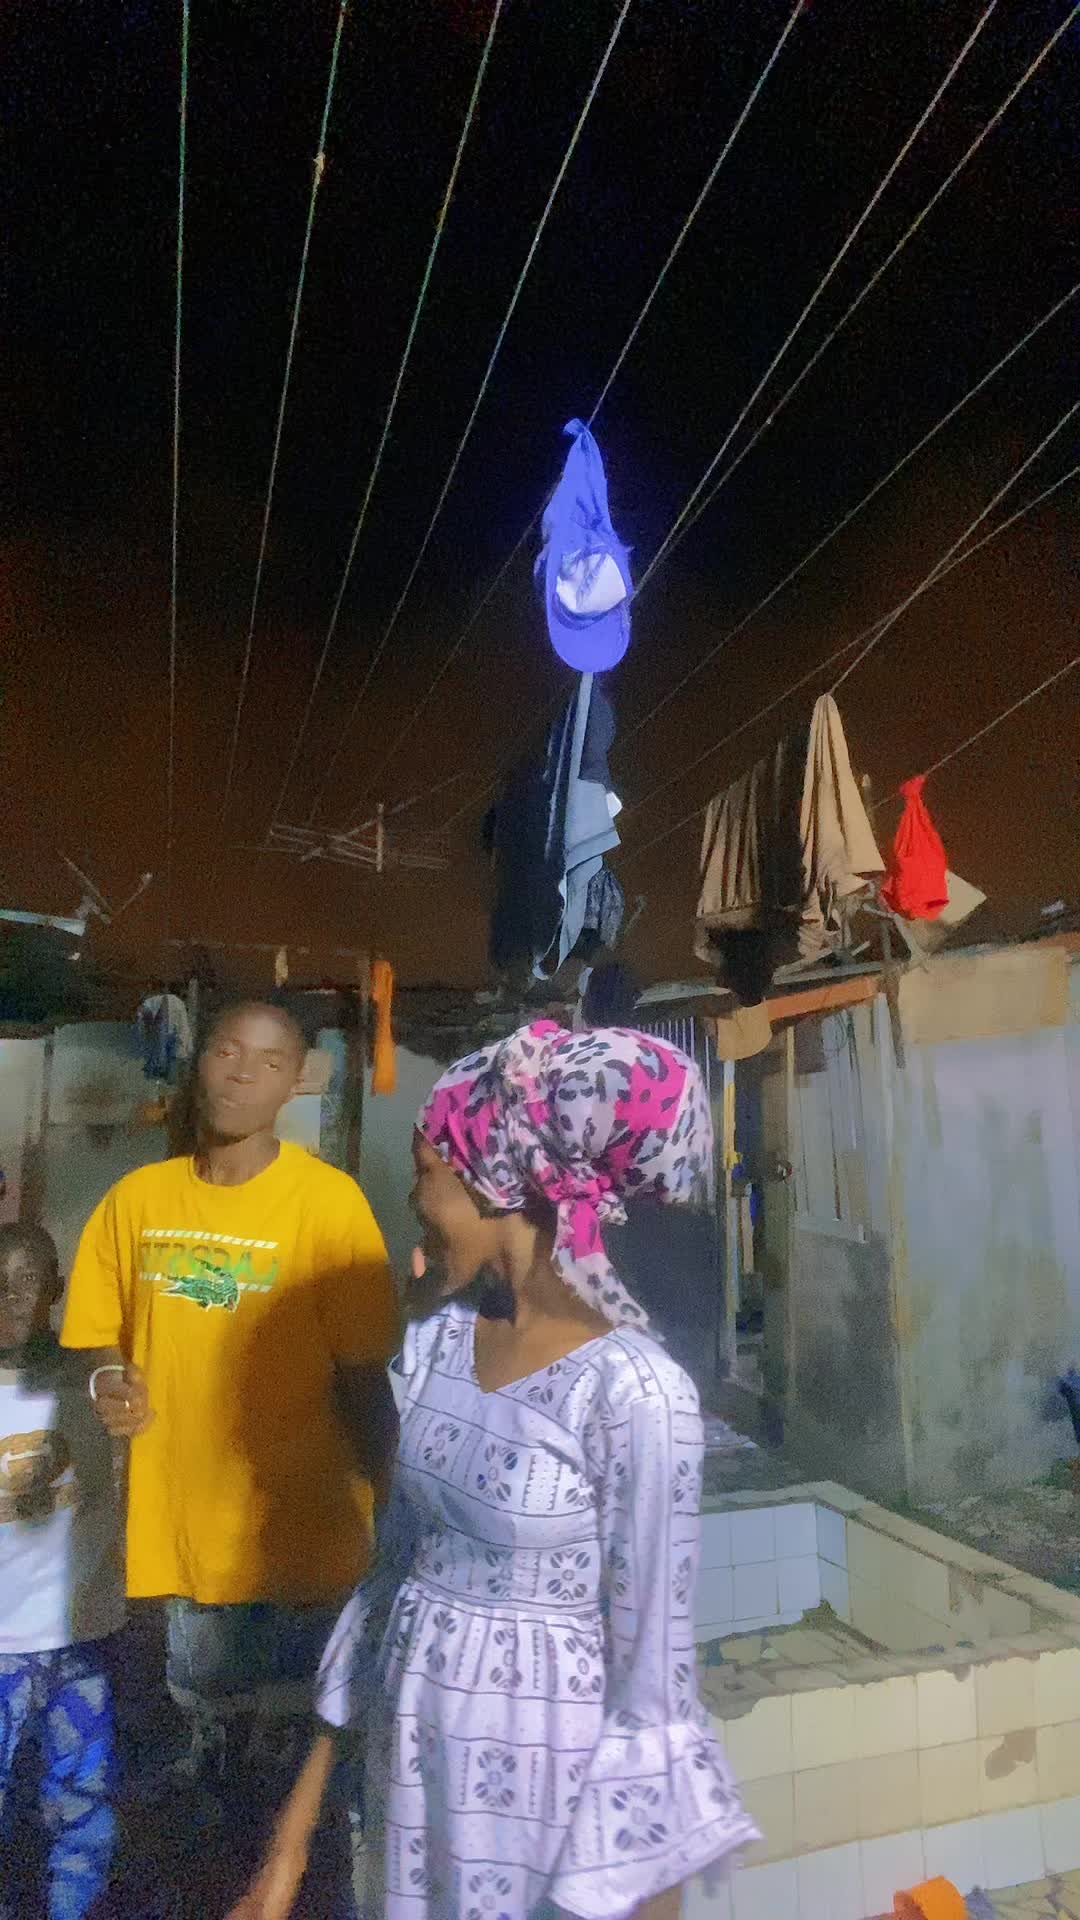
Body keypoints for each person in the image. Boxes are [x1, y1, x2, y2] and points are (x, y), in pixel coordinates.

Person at [229, 1020, 757, 1920]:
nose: (413, 1198)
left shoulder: (633, 1395)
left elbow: (654, 1705)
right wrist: (287, 1853)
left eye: (426, 1173)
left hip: (541, 1813)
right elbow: (386, 1590)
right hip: (409, 1785)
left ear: (500, 1178)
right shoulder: (436, 1347)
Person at [60, 996, 400, 1803]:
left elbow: (364, 1380)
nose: (242, 1074)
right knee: (208, 1771)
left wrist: (399, 1518)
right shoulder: (137, 1201)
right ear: (196, 1061)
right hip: (181, 1544)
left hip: (305, 1545)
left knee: (304, 1784)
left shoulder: (329, 1205)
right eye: (226, 1052)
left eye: (269, 1061)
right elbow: (99, 1336)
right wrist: (109, 1381)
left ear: (296, 1082)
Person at [0, 1222, 124, 1920]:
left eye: (26, 1281)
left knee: (82, 1814)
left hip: (79, 1640)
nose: (9, 1297)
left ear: (55, 1290)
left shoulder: (95, 1386)